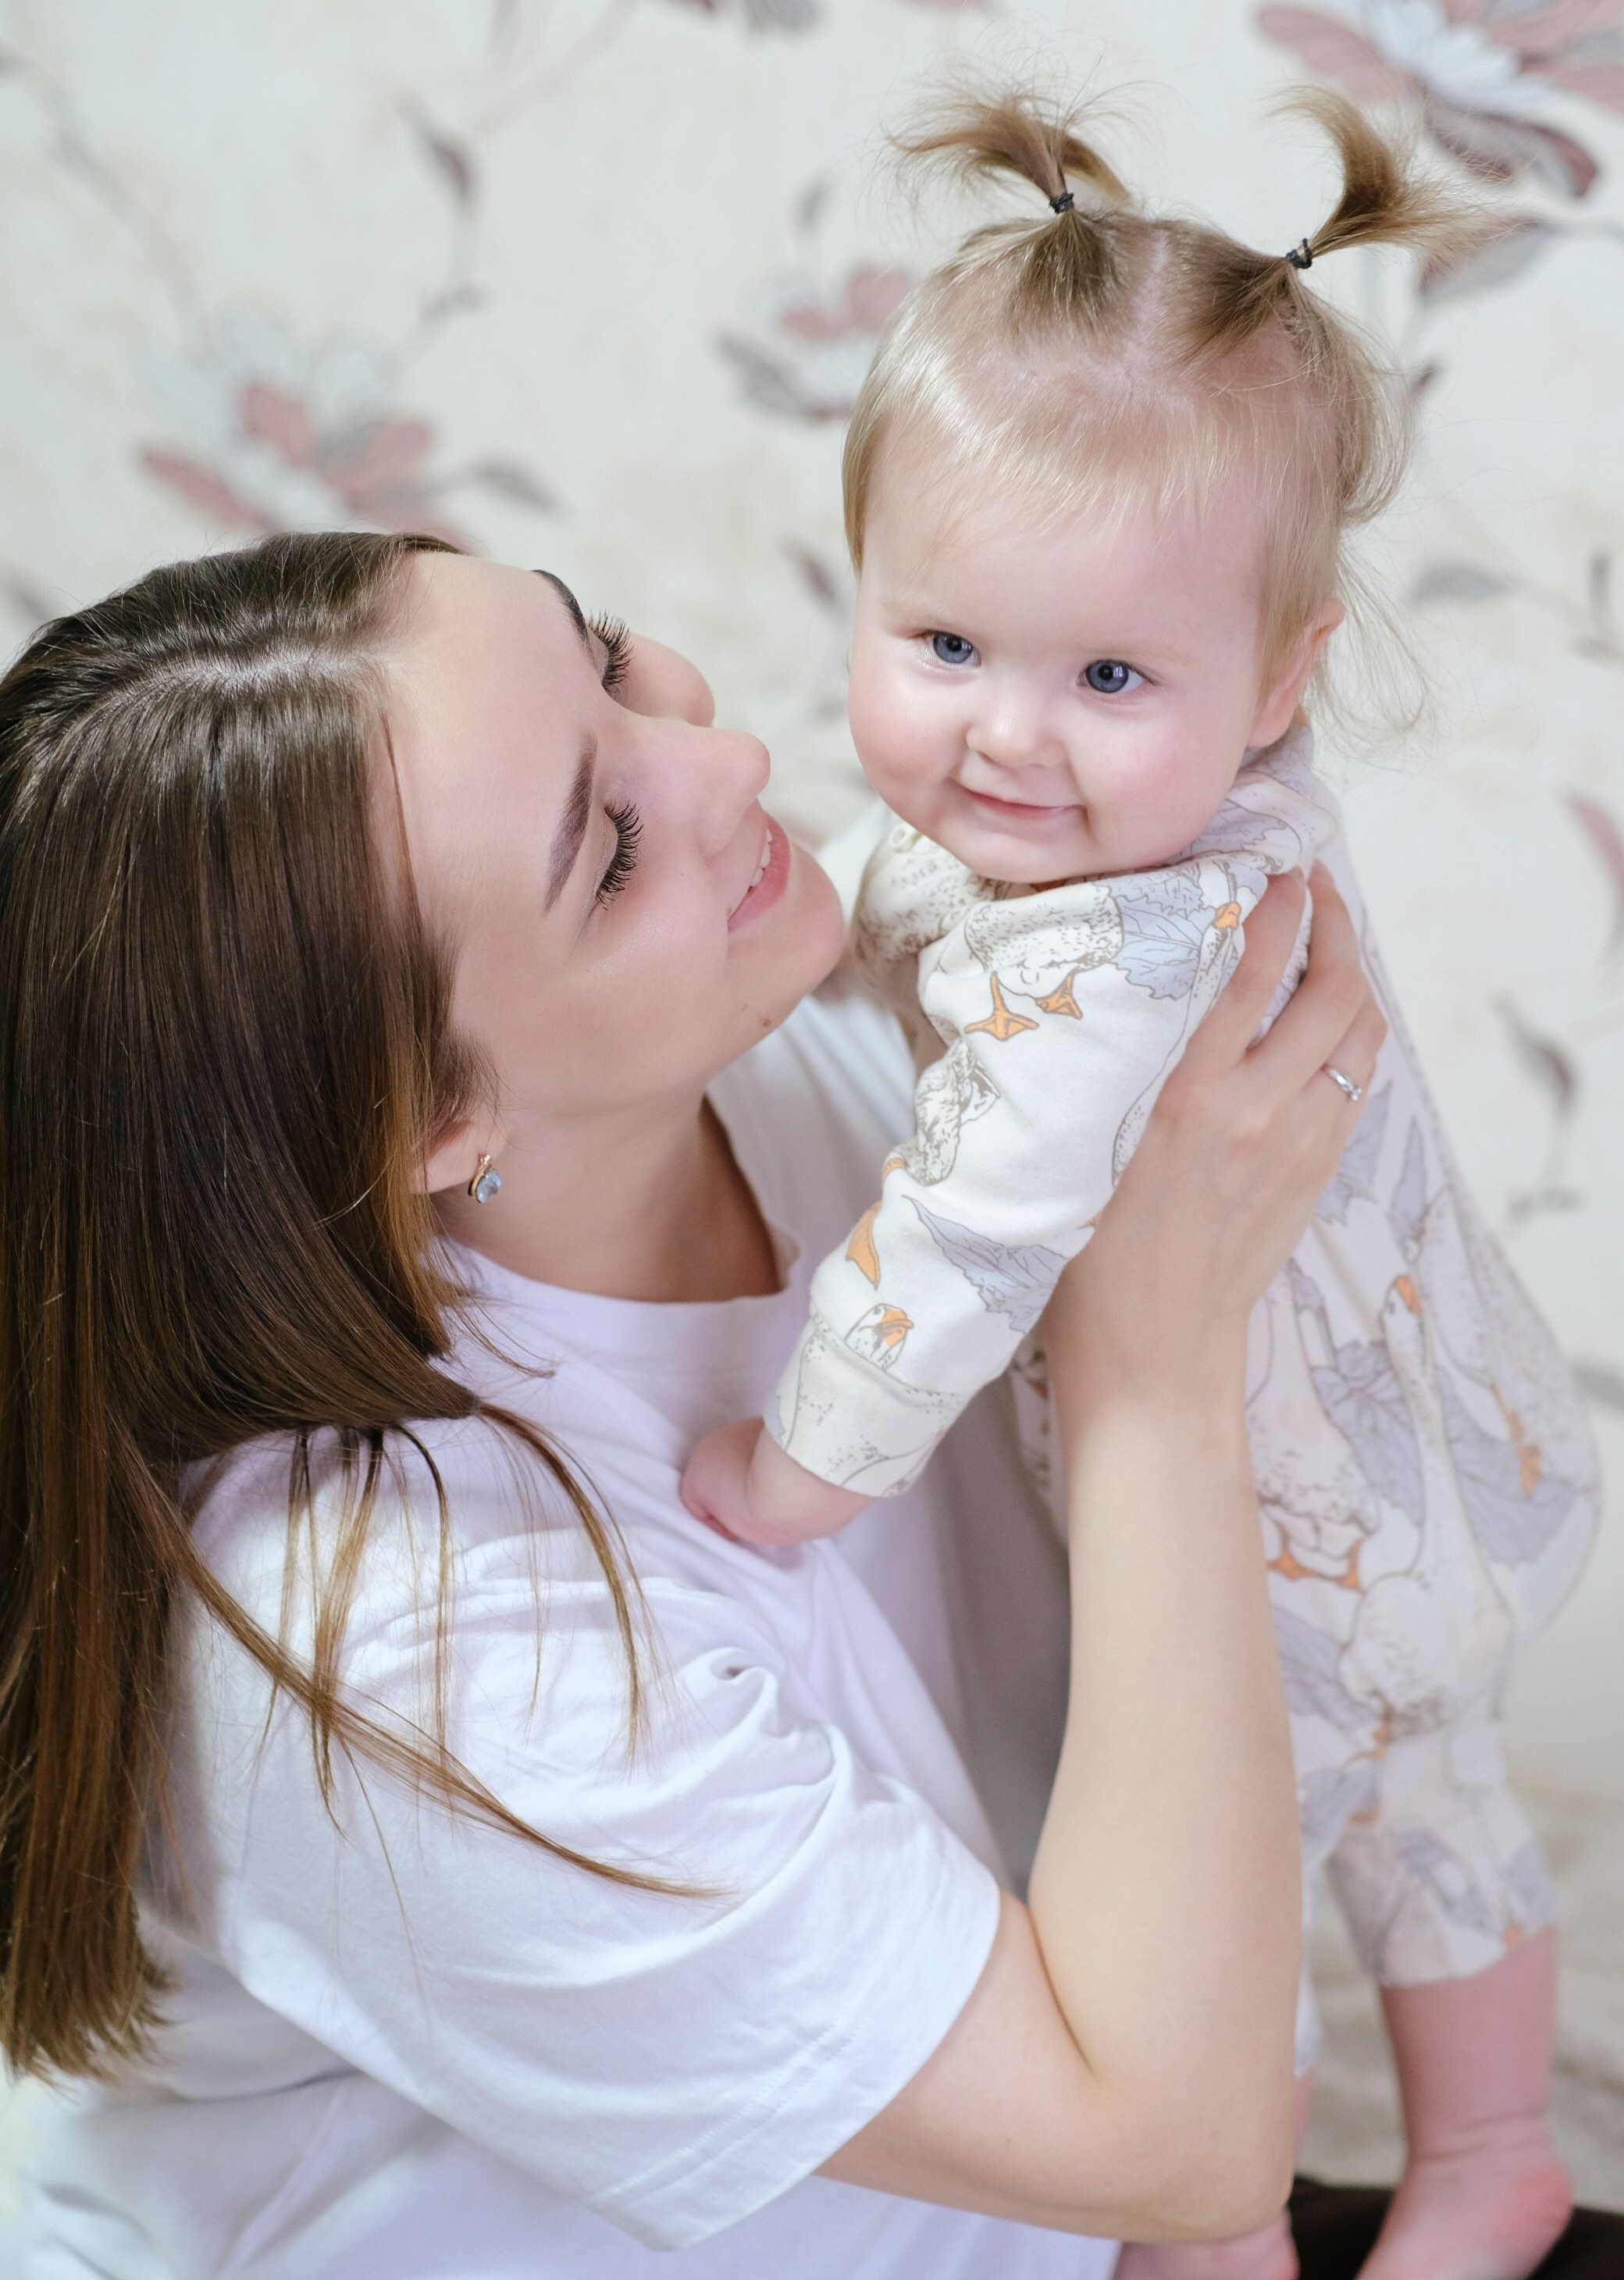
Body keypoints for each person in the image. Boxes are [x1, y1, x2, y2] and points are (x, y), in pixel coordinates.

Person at [0, 532, 1384, 2278]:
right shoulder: (401, 1660)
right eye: (609, 850)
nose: (724, 760)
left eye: (608, 657)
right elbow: (1178, 2147)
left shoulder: (770, 1064)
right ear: (434, 1125)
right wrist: (1151, 1365)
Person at [680, 91, 1600, 2280]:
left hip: (1276, 1532)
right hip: (1443, 1451)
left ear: (1279, 680)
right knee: (1445, 1805)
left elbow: (973, 1236)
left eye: (1107, 677)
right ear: (869, 589)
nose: (1008, 738)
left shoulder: (1124, 948)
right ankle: (1488, 2150)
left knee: (1212, 1867)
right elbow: (920, 909)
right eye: (944, 648)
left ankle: (1215, 2230)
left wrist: (804, 1468)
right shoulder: (1183, 809)